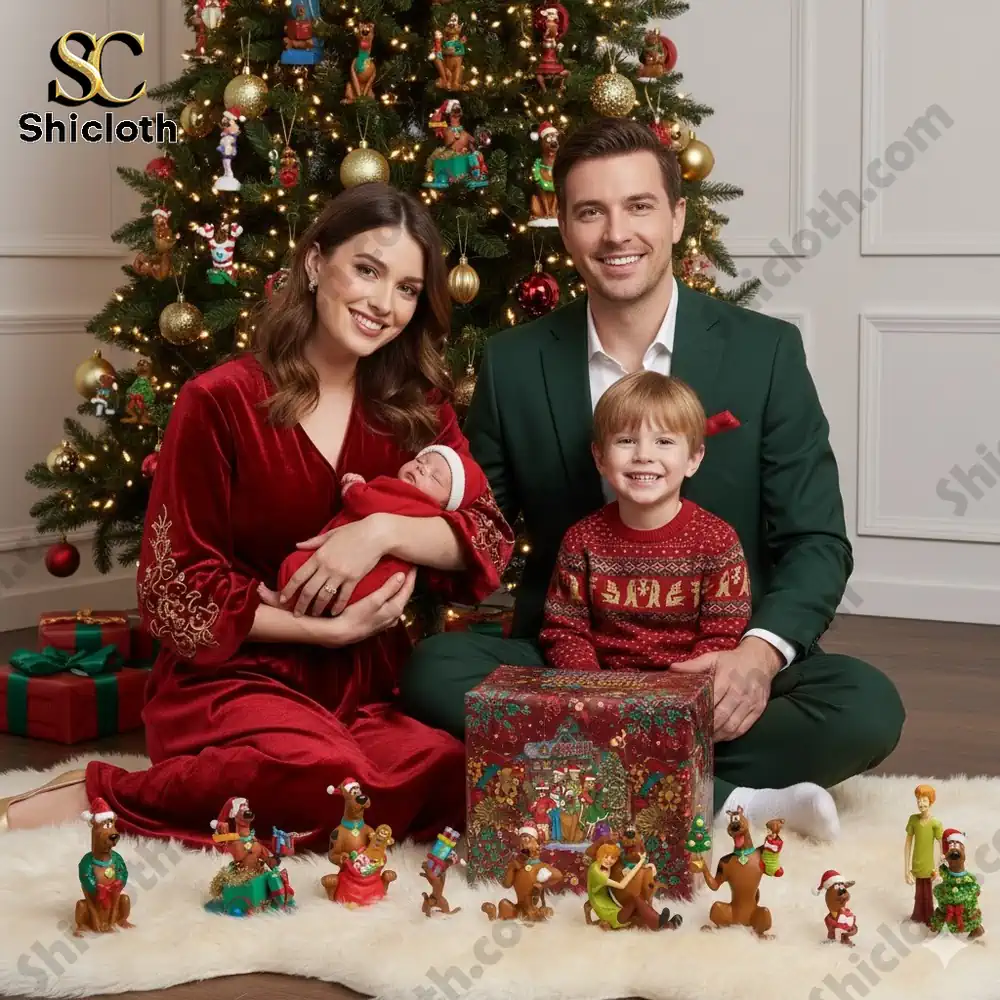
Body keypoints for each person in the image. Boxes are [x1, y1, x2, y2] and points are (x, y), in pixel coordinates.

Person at [401, 117, 905, 841]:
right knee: (432, 671)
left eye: (638, 206)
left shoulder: (766, 353)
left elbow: (817, 541)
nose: (617, 234)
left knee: (865, 706)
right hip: (571, 662)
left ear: (676, 217)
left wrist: (758, 656)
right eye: (590, 212)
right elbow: (485, 525)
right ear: (565, 227)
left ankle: (580, 769)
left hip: (717, 661)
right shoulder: (514, 362)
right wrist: (387, 528)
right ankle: (724, 799)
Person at [0, 183, 513, 845]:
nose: (384, 305)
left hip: (365, 687)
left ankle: (292, 775)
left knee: (454, 777)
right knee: (328, 783)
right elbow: (172, 591)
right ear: (315, 262)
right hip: (231, 680)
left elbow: (487, 536)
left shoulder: (415, 406)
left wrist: (380, 530)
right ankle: (101, 793)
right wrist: (324, 631)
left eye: (408, 289)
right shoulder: (218, 401)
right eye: (367, 270)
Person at [539, 370, 750, 670]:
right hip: (600, 688)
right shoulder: (581, 540)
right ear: (600, 458)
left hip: (688, 685)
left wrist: (680, 687)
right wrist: (592, 685)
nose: (644, 455)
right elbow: (565, 631)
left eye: (664, 441)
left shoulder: (718, 540)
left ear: (693, 459)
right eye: (626, 440)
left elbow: (722, 636)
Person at [277, 444, 488, 610]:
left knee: (295, 568)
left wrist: (353, 487)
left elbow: (368, 502)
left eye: (434, 477)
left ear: (447, 503)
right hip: (384, 582)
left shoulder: (411, 498)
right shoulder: (422, 507)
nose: (422, 468)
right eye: (420, 460)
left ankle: (284, 602)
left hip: (366, 573)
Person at [903, 782, 943, 924]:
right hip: (917, 863)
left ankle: (929, 916)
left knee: (927, 893)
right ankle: (918, 914)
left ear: (930, 801)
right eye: (919, 800)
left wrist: (939, 868)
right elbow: (908, 844)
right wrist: (906, 870)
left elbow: (941, 846)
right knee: (919, 893)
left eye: (924, 800)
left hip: (929, 866)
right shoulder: (913, 820)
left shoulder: (935, 823)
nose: (921, 804)